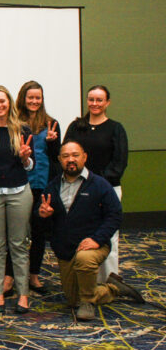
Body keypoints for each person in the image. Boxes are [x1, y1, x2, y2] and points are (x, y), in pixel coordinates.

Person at [37, 141, 143, 321]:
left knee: (84, 259)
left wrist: (96, 239)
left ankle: (88, 302)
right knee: (72, 300)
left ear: (84, 157)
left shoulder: (100, 184)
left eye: (75, 155)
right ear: (59, 160)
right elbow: (41, 221)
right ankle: (113, 288)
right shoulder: (53, 186)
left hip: (94, 244)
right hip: (66, 249)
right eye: (66, 156)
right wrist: (42, 214)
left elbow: (114, 216)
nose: (71, 160)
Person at [0, 85, 34, 314]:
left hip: (19, 192)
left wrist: (25, 158)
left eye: (2, 101)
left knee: (19, 245)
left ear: (9, 102)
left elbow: (31, 166)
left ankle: (23, 295)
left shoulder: (22, 129)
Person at [64, 85, 127, 283]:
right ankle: (85, 280)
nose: (95, 103)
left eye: (99, 100)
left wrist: (97, 184)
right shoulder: (76, 127)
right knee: (83, 236)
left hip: (107, 190)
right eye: (91, 99)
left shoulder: (116, 128)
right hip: (77, 188)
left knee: (108, 236)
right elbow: (66, 154)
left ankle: (109, 281)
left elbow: (119, 162)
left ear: (107, 102)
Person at [4, 80, 62, 294]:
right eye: (31, 97)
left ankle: (34, 275)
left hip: (43, 184)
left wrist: (53, 142)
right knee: (16, 232)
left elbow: (57, 156)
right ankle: (9, 277)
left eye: (38, 97)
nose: (34, 101)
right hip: (19, 184)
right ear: (23, 98)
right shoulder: (13, 122)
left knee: (39, 232)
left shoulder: (51, 123)